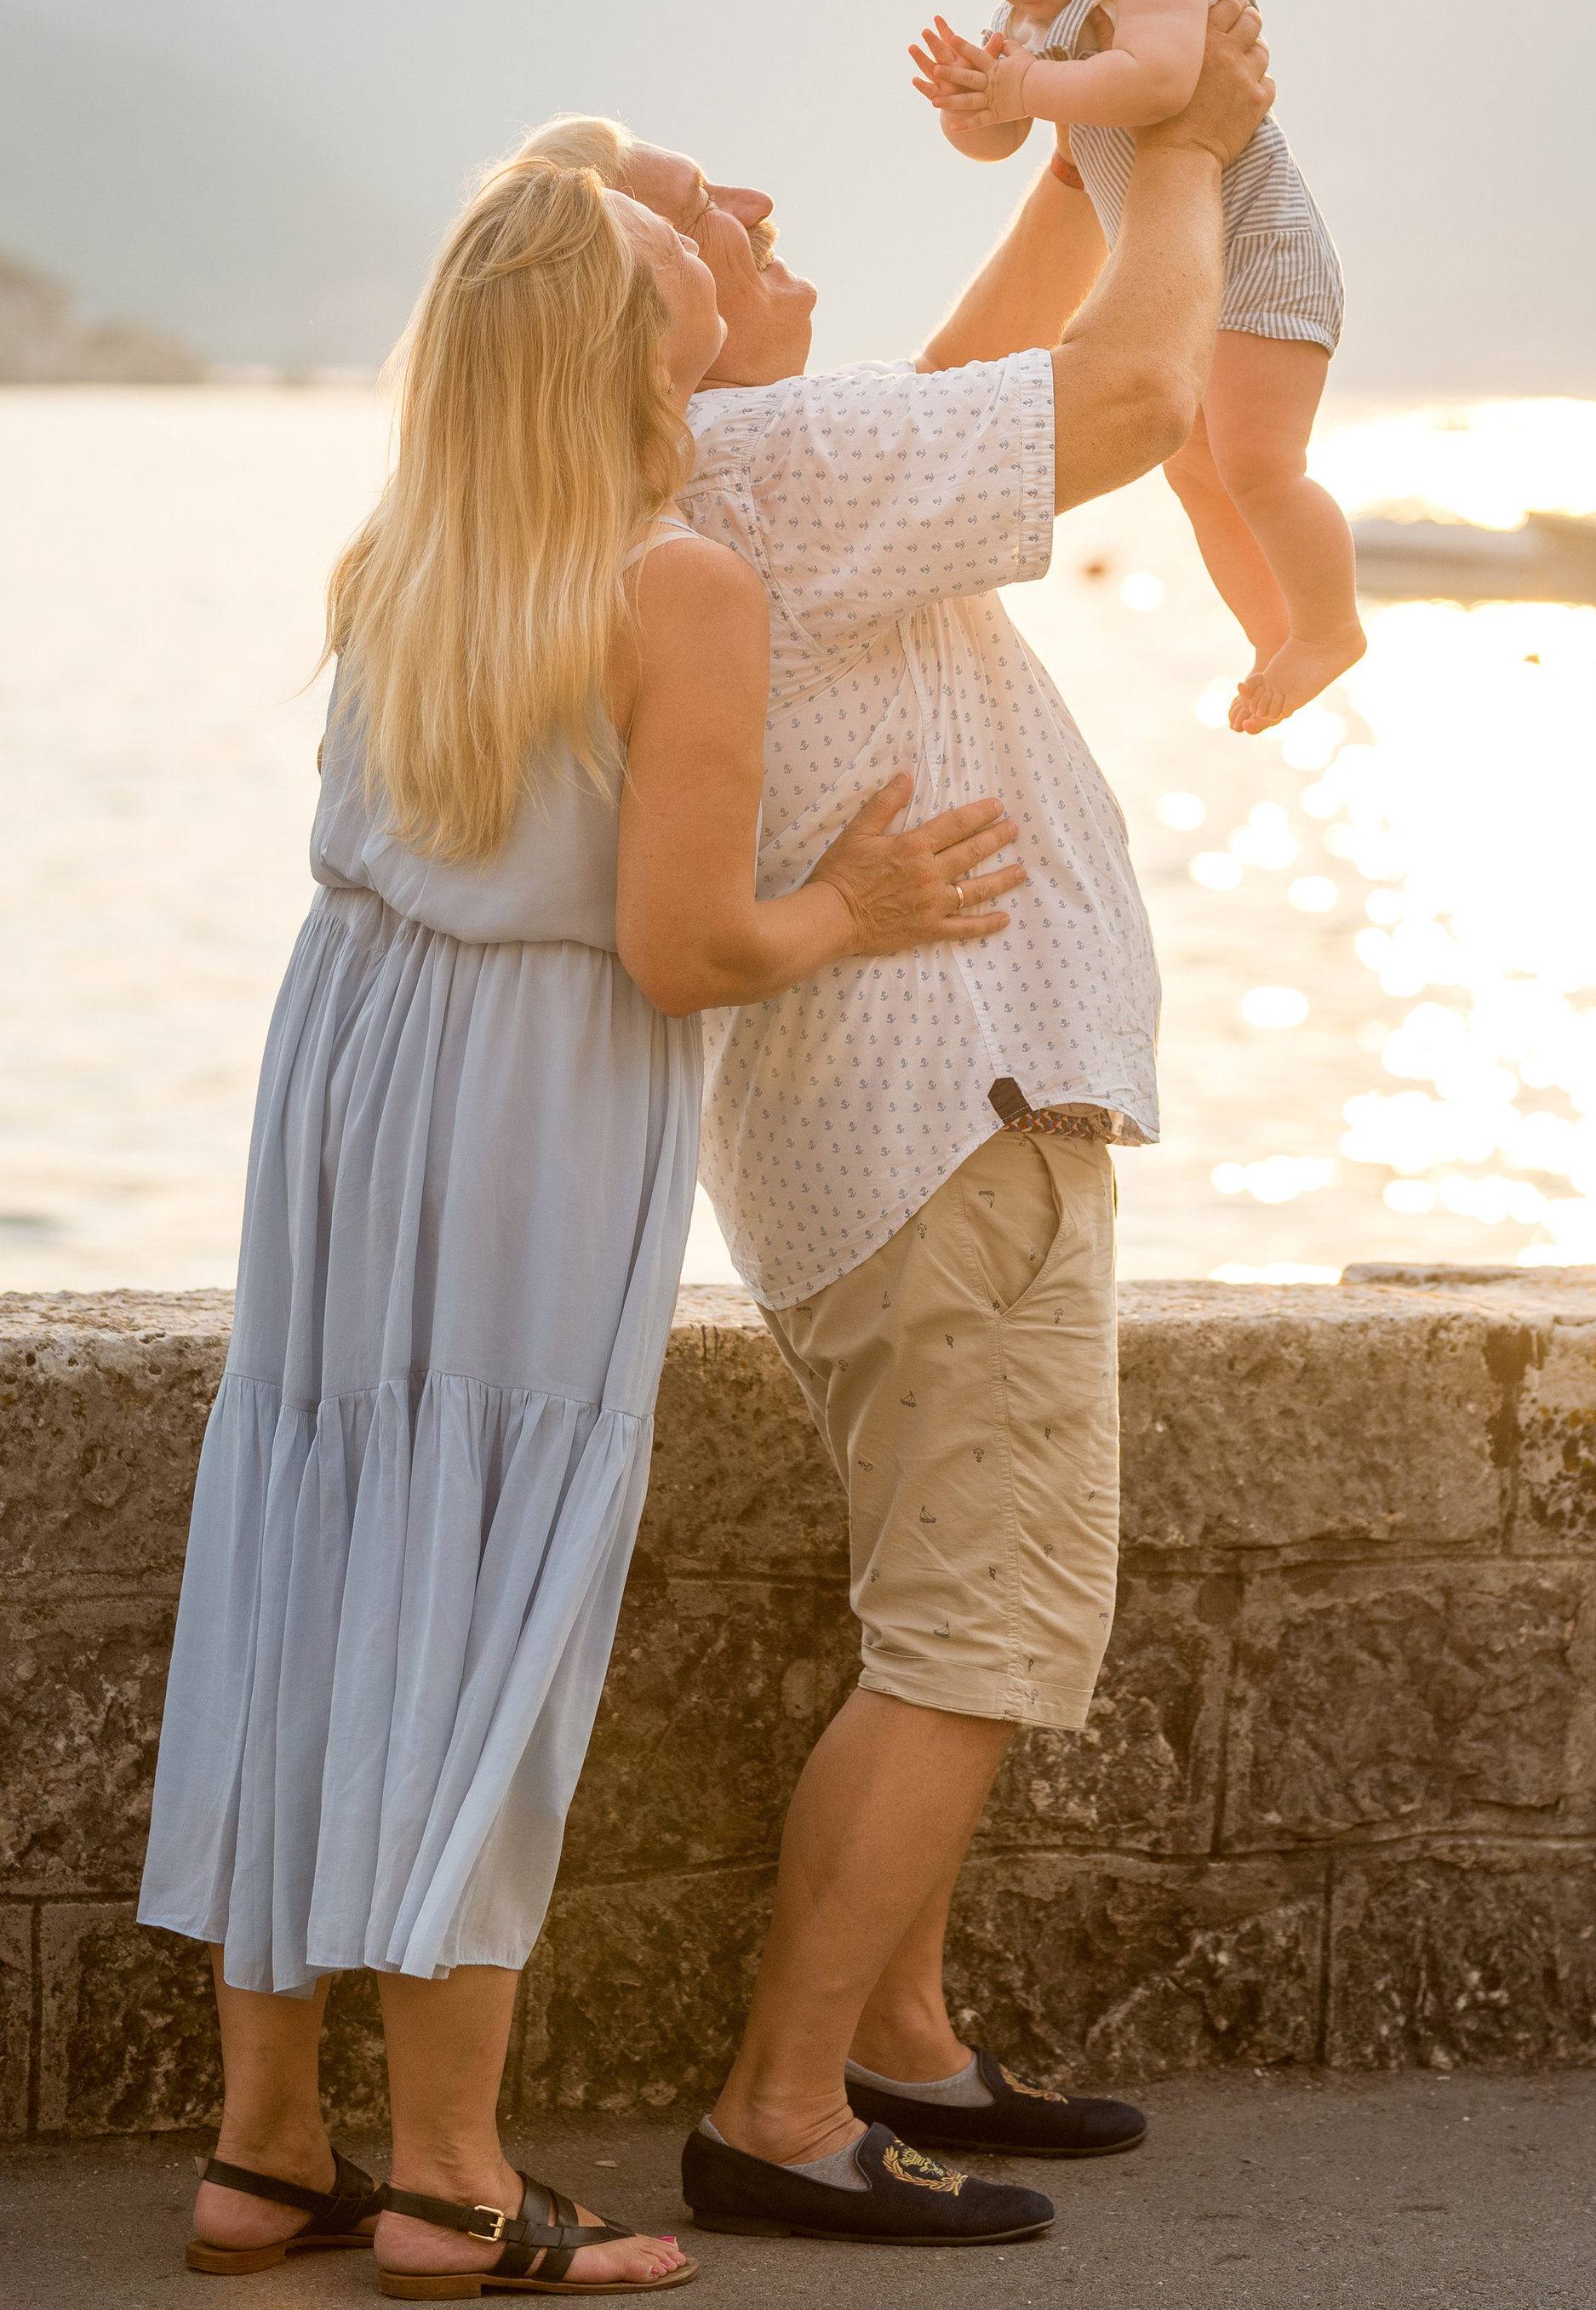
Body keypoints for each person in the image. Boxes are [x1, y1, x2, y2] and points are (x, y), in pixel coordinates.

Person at [137, 156, 1026, 2293]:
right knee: (480, 1593)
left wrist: (626, 207)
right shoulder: (674, 581)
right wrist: (867, 902)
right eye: (663, 280)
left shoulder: (402, 555)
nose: (701, 283)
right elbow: (687, 945)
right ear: (618, 354)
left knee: (323, 1556)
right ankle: (449, 2177)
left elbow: (573, 227)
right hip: (526, 1106)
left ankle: (268, 2151)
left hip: (344, 1076)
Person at [548, 0, 1275, 2248]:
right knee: (975, 1631)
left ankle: (906, 2040)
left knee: (931, 1602)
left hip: (881, 1137)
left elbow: (1007, 356)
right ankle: (780, 2105)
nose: (751, 207)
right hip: (950, 1126)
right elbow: (1139, 394)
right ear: (644, 323)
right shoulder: (768, 483)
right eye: (694, 210)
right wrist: (1192, 149)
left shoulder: (760, 473)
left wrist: (1077, 115)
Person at [912, 0, 1363, 733]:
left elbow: (1159, 83)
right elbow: (1004, 142)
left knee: (1259, 465)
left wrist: (1024, 88)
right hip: (1192, 272)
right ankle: (1272, 634)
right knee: (1193, 470)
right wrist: (973, 104)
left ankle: (1331, 626)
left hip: (1259, 256)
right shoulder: (1028, 16)